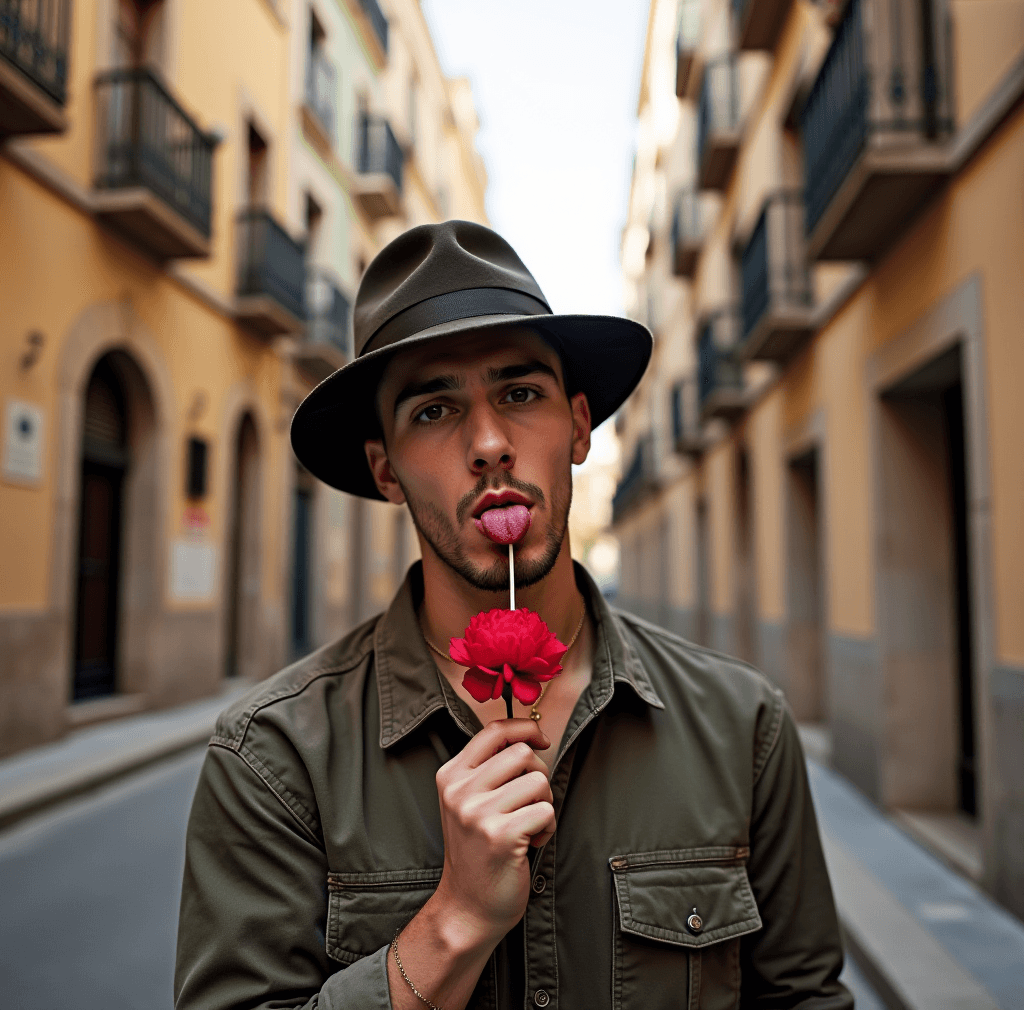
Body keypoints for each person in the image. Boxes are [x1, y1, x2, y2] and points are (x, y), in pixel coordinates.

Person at [174, 221, 852, 1010]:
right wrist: (453, 923)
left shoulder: (744, 727)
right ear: (385, 469)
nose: (490, 443)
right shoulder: (271, 759)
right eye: (433, 410)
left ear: (577, 426)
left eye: (521, 394)